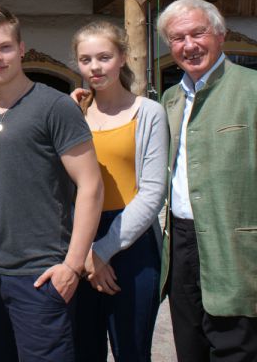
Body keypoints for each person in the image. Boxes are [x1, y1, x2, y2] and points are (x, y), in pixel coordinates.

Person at [0, 6, 103, 361]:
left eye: (4, 47)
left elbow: (91, 186)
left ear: (21, 49)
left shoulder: (55, 107)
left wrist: (71, 266)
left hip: (43, 274)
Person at [157, 0, 257, 361]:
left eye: (198, 33)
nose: (189, 45)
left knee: (236, 349)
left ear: (220, 34)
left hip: (237, 247)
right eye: (177, 38)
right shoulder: (170, 99)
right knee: (190, 348)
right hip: (181, 244)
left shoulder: (252, 88)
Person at [70, 21, 168, 361]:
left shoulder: (149, 113)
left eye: (104, 57)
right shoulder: (72, 116)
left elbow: (153, 192)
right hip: (80, 236)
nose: (95, 67)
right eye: (86, 60)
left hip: (134, 239)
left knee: (132, 351)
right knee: (82, 351)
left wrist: (101, 251)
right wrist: (83, 252)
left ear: (122, 57)